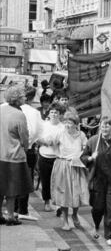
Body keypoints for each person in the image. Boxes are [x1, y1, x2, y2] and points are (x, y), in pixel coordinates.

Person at [82, 117, 111, 246]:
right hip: (97, 181)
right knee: (97, 208)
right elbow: (83, 158)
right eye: (103, 125)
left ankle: (109, 235)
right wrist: (91, 157)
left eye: (107, 126)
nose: (104, 128)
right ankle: (96, 225)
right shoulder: (93, 141)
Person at [44, 110, 89, 231]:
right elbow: (48, 142)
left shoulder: (82, 135)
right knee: (64, 194)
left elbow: (86, 149)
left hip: (76, 166)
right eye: (66, 123)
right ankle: (65, 220)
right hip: (62, 165)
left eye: (70, 123)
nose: (68, 125)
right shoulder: (60, 133)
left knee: (77, 193)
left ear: (76, 124)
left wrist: (85, 155)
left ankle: (74, 214)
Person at [0, 86, 31, 225]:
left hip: (0, 153)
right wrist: (26, 146)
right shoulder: (19, 114)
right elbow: (24, 137)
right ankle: (10, 216)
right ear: (17, 98)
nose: (25, 98)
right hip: (13, 156)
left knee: (1, 187)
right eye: (23, 96)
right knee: (12, 189)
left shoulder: (1, 109)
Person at [15, 85, 42, 219]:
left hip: (13, 148)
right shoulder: (34, 113)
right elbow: (37, 132)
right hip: (28, 149)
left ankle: (12, 207)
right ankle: (22, 209)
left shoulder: (7, 109)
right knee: (26, 179)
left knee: (13, 177)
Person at [37, 102, 67, 212]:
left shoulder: (63, 127)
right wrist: (44, 142)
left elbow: (66, 142)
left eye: (56, 112)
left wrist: (58, 142)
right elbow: (36, 138)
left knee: (58, 181)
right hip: (44, 155)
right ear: (49, 113)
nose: (54, 114)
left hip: (57, 157)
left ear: (60, 114)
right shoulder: (43, 125)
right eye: (52, 112)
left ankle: (58, 203)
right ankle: (46, 201)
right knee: (46, 180)